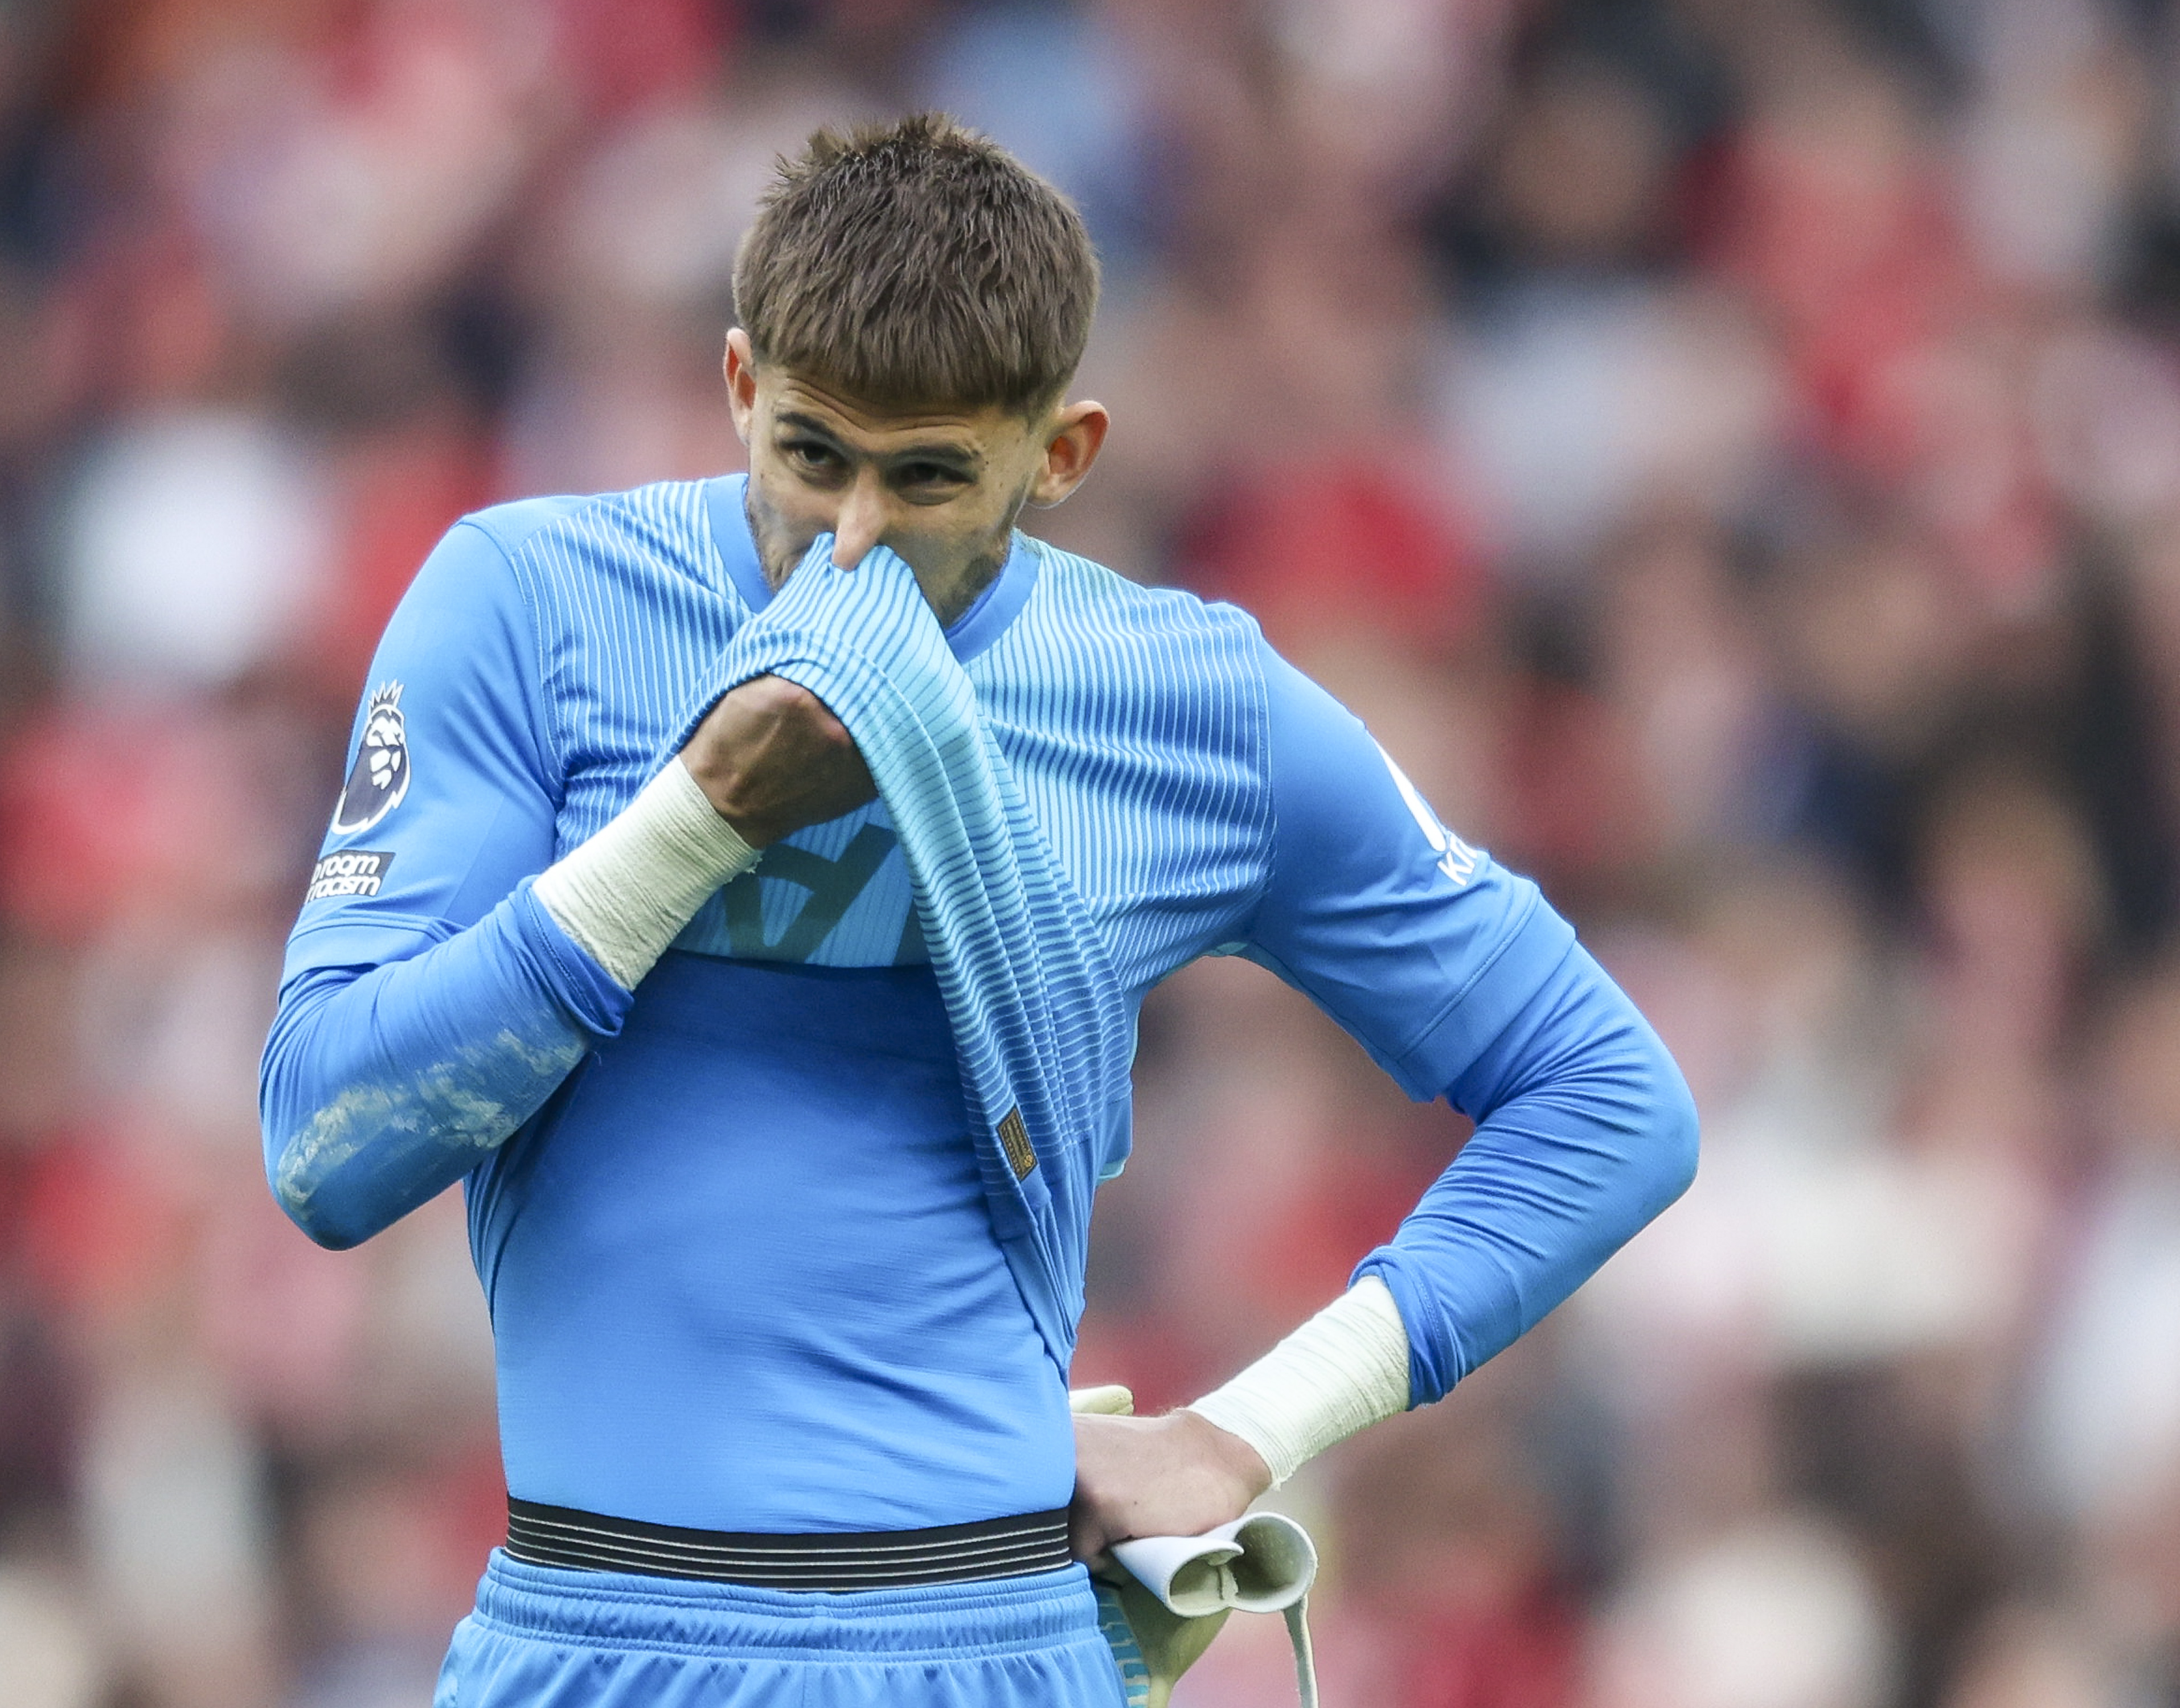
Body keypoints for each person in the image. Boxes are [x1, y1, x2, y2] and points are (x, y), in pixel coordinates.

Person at [260, 112, 1697, 1707]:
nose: (853, 539)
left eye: (930, 478)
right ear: (739, 386)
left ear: (1059, 454)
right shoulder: (529, 604)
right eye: (810, 456)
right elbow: (325, 1145)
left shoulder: (1185, 700)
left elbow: (1609, 1100)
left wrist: (1253, 1430)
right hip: (589, 1641)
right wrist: (695, 825)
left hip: (982, 1656)